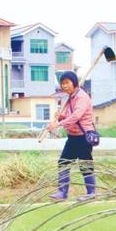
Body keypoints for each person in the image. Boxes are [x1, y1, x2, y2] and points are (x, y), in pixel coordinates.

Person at [45, 71, 96, 202]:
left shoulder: (82, 97)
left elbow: (76, 116)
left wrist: (57, 124)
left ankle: (91, 193)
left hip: (84, 136)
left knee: (85, 164)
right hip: (73, 137)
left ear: (74, 82)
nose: (65, 86)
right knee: (63, 162)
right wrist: (61, 116)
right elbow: (69, 116)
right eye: (62, 84)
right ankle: (62, 192)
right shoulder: (70, 98)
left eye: (67, 83)